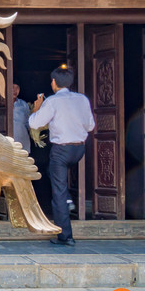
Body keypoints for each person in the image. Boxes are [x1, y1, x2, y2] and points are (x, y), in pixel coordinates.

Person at [28, 64, 95, 246]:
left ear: (54, 83)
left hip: (61, 150)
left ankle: (66, 236)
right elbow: (90, 126)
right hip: (79, 149)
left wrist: (37, 108)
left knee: (58, 190)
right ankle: (66, 197)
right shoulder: (82, 99)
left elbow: (35, 124)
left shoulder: (53, 101)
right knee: (54, 175)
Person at [12, 85, 31, 154]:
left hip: (22, 144)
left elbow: (29, 124)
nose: (15, 90)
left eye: (17, 87)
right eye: (12, 87)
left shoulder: (23, 104)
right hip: (4, 146)